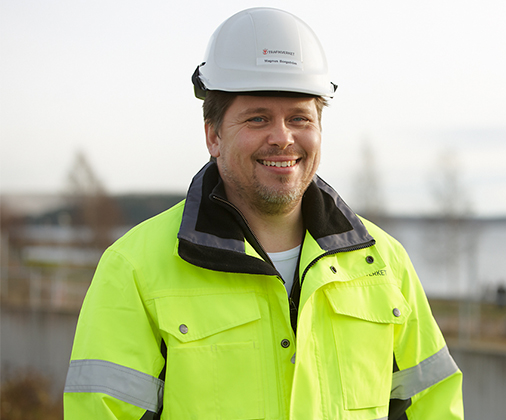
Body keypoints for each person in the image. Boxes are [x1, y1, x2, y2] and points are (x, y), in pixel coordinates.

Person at [64, 7, 463, 419]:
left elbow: (431, 406)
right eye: (258, 118)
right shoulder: (134, 269)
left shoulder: (384, 263)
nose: (283, 138)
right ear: (213, 135)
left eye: (299, 118)